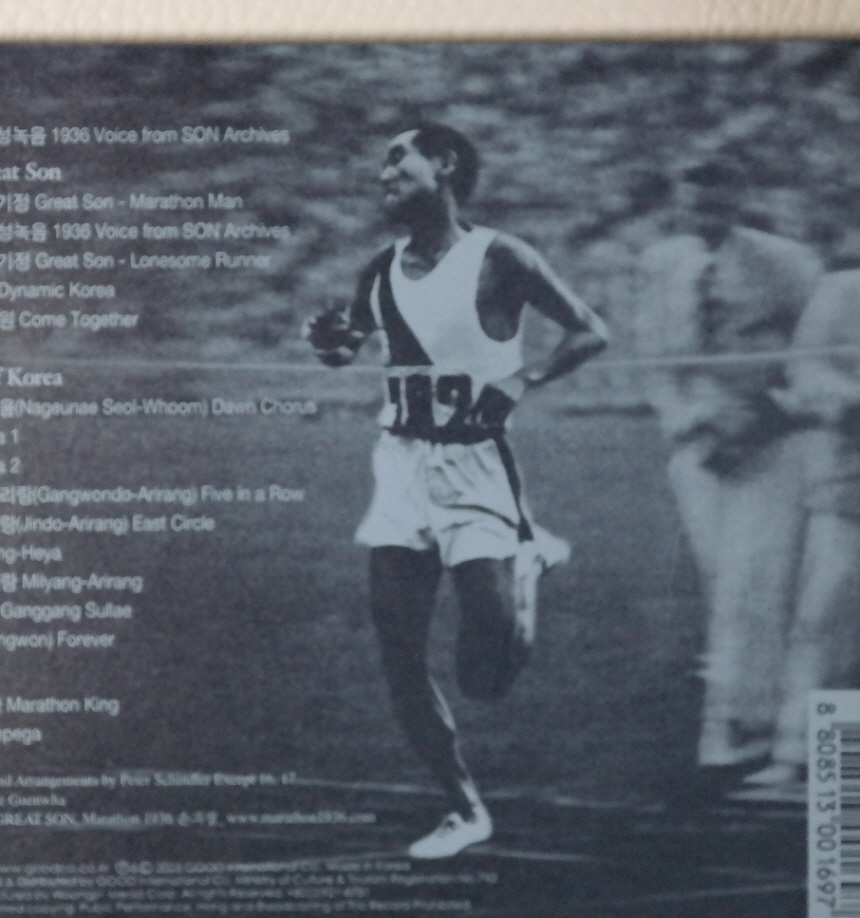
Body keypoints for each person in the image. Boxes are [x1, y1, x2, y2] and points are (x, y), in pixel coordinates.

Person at [305, 123, 608, 858]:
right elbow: (352, 346)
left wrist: (523, 378)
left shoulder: (500, 256)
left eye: (397, 157)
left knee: (485, 677)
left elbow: (589, 331)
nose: (383, 173)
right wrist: (330, 342)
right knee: (398, 650)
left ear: (444, 164)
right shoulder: (379, 269)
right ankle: (464, 809)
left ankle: (525, 562)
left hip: (475, 468)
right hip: (401, 469)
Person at [631, 158, 822, 791]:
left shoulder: (787, 262)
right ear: (678, 204)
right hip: (699, 443)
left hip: (773, 442)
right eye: (693, 205)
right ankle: (753, 717)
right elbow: (653, 355)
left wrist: (770, 412)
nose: (703, 217)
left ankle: (743, 736)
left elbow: (818, 349)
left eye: (716, 205)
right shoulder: (662, 263)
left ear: (740, 201)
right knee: (725, 585)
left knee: (754, 585)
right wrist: (686, 423)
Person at [753, 270, 860, 784]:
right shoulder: (843, 291)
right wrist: (850, 398)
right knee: (827, 616)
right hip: (849, 479)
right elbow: (807, 367)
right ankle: (804, 756)